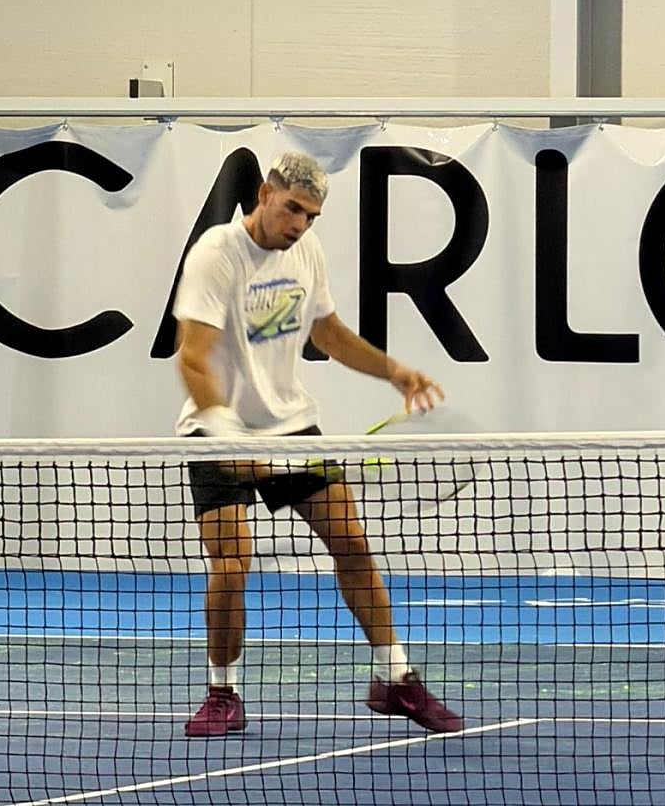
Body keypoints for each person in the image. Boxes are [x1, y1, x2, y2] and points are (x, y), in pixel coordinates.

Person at [173, 151, 463, 738]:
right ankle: (222, 692)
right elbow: (193, 357)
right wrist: (232, 439)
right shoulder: (216, 255)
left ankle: (395, 679)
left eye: (311, 216)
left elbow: (327, 332)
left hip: (292, 427)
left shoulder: (305, 250)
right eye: (293, 209)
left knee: (352, 544)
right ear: (264, 194)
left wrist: (394, 372)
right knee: (231, 565)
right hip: (217, 430)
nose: (300, 224)